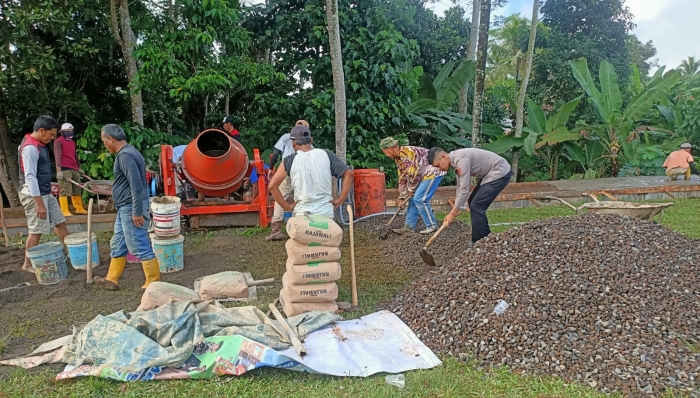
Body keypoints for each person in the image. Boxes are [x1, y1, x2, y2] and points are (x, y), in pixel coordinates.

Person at [94, 124, 160, 290]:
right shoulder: (130, 151)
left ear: (111, 139)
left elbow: (136, 185)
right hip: (126, 207)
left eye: (104, 140)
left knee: (138, 244)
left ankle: (154, 283)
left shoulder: (125, 156)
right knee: (118, 242)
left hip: (131, 207)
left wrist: (136, 211)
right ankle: (112, 279)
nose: (104, 144)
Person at [429, 147, 512, 245]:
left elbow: (464, 190)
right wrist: (457, 208)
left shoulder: (461, 160)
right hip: (491, 174)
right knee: (472, 201)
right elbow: (460, 186)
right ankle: (484, 237)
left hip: (499, 171)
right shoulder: (455, 161)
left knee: (476, 205)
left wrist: (452, 213)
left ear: (444, 157)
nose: (439, 169)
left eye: (438, 165)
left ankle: (481, 240)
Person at [18, 115, 70, 273]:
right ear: (41, 131)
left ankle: (70, 252)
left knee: (59, 221)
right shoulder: (30, 149)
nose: (53, 137)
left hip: (45, 192)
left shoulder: (39, 144)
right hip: (34, 195)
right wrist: (39, 204)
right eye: (52, 134)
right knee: (36, 230)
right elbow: (30, 177)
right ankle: (27, 265)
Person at [268, 125, 353, 219]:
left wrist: (287, 207)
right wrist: (341, 199)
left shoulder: (289, 161)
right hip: (325, 213)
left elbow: (272, 186)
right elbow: (348, 173)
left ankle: (276, 229)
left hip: (302, 214)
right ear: (311, 140)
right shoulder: (327, 154)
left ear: (293, 143)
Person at [379, 137, 446, 235]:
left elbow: (416, 174)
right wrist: (401, 197)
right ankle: (409, 227)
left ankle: (432, 226)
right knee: (413, 199)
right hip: (423, 175)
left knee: (419, 199)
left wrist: (412, 189)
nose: (385, 154)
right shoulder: (399, 159)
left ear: (389, 148)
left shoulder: (407, 153)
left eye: (384, 151)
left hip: (434, 171)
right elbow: (402, 178)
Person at [265, 120, 311, 241]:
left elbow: (275, 153)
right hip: (302, 171)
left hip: (285, 170)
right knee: (302, 197)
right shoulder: (308, 140)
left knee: (280, 197)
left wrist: (270, 168)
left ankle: (276, 230)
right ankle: (304, 228)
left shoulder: (286, 137)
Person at [54, 123, 88, 216]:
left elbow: (75, 156)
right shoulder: (58, 142)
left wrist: (79, 168)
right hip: (64, 169)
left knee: (77, 189)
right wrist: (59, 171)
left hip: (74, 168)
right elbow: (57, 156)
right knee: (65, 190)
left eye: (71, 131)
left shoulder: (72, 142)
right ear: (62, 132)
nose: (70, 133)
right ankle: (64, 211)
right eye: (68, 131)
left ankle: (79, 208)